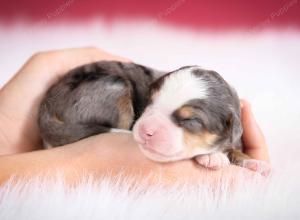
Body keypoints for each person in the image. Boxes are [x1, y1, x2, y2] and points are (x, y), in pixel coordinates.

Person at [0, 47, 270, 186]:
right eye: (152, 105)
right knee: (115, 87)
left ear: (230, 128)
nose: (147, 126)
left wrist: (238, 158)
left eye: (187, 120)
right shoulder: (166, 92)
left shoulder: (227, 122)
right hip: (77, 103)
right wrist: (90, 160)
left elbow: (226, 147)